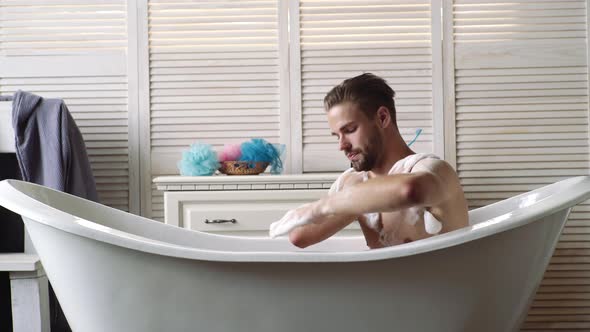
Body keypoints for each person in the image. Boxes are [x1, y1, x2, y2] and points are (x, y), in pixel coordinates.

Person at [269, 73, 469, 249]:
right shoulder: (355, 183)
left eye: (349, 130)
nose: (342, 145)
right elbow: (300, 238)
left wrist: (324, 206)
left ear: (382, 118)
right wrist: (350, 201)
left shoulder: (434, 170)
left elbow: (411, 190)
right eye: (336, 135)